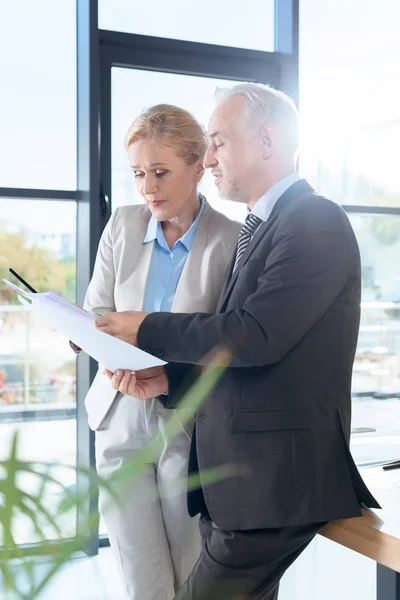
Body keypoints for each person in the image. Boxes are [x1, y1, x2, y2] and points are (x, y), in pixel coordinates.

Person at [95, 84, 380, 600]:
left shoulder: (315, 219)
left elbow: (255, 334)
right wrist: (170, 378)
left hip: (274, 483)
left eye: (218, 142)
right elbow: (250, 351)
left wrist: (143, 325)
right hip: (242, 489)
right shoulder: (269, 225)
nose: (209, 158)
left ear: (267, 140)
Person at [78, 104, 241, 600]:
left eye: (160, 172)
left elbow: (228, 341)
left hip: (188, 422)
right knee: (140, 575)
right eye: (138, 174)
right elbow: (96, 313)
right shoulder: (123, 226)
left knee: (191, 570)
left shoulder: (231, 242)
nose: (148, 187)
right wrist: (96, 343)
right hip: (119, 412)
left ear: (197, 167)